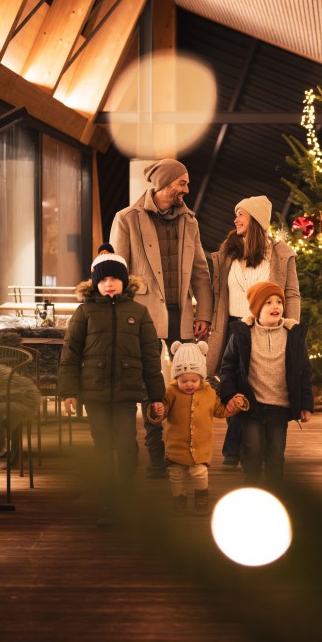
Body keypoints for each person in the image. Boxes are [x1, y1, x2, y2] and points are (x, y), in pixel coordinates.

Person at [110, 158, 214, 479]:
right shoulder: (127, 219)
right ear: (164, 184)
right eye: (182, 183)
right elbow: (118, 271)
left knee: (187, 382)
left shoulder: (189, 221)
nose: (187, 189)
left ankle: (182, 452)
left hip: (181, 315)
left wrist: (204, 313)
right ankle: (156, 456)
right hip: (141, 316)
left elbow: (200, 271)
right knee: (148, 383)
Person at [58, 244, 164, 525]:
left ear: (124, 281)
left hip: (126, 394)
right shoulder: (85, 312)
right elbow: (70, 354)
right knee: (103, 447)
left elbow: (151, 357)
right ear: (95, 283)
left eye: (114, 278)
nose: (109, 283)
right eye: (103, 279)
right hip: (94, 393)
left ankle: (125, 495)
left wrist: (157, 396)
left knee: (127, 445)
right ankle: (108, 502)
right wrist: (68, 392)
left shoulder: (139, 313)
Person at [207, 195, 300, 468]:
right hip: (233, 327)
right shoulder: (229, 250)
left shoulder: (281, 254)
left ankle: (242, 451)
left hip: (264, 329)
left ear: (256, 219)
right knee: (233, 385)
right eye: (236, 214)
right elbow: (217, 292)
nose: (235, 219)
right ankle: (233, 450)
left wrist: (291, 326)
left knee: (256, 388)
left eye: (241, 214)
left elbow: (291, 293)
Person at [218, 281, 313, 486]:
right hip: (252, 405)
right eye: (268, 302)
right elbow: (228, 367)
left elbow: (304, 371)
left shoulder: (293, 335)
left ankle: (274, 489)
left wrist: (305, 404)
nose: (275, 306)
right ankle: (251, 486)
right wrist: (229, 395)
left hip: (280, 406)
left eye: (279, 302)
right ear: (256, 308)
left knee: (275, 453)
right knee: (252, 449)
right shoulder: (242, 334)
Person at [151, 340, 247, 515]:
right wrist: (158, 411)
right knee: (176, 474)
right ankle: (179, 501)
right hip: (176, 446)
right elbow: (162, 412)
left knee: (200, 473)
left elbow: (219, 410)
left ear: (201, 377)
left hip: (200, 447)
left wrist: (234, 406)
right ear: (176, 378)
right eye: (184, 381)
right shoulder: (171, 392)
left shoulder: (209, 392)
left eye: (194, 380)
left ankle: (201, 500)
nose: (189, 384)